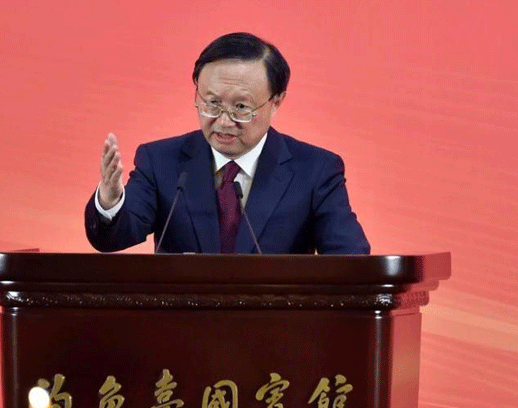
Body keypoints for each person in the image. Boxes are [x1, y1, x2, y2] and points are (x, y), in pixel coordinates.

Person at [85, 32, 370, 254]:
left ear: (276, 102)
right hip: (181, 326)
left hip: (278, 328)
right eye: (211, 104)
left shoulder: (316, 170)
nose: (223, 121)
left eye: (241, 108)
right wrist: (110, 202)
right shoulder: (161, 161)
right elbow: (114, 238)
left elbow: (351, 260)